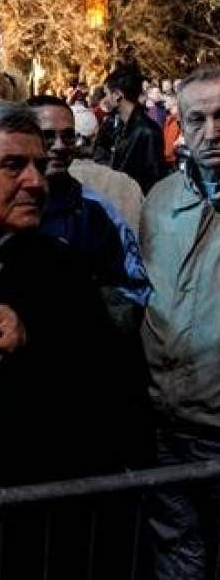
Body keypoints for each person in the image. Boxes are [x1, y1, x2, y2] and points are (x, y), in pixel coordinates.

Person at [0, 101, 139, 485]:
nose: (36, 181)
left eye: (39, 164)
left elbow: (105, 381)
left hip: (41, 493)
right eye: (13, 165)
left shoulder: (64, 267)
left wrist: (32, 337)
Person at [140, 65, 220, 580]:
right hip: (167, 432)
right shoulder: (161, 200)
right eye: (198, 119)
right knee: (179, 559)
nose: (212, 131)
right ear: (181, 127)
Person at [27, 94, 151, 333]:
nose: (60, 146)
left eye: (68, 135)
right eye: (48, 136)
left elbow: (133, 288)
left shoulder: (95, 211)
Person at [94, 64, 168, 194]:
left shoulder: (147, 131)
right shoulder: (119, 127)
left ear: (117, 95)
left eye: (106, 94)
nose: (104, 99)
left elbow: (155, 180)